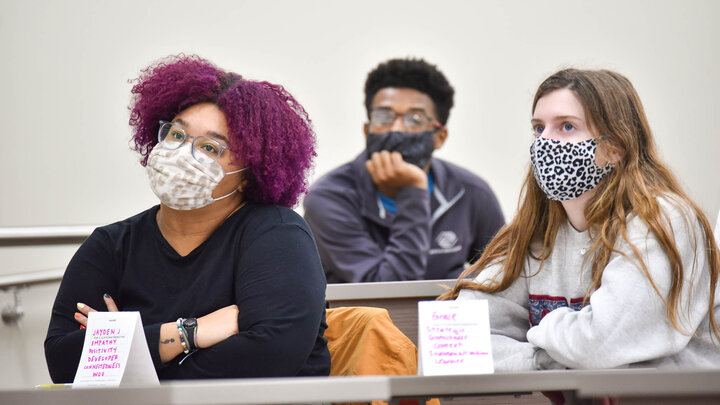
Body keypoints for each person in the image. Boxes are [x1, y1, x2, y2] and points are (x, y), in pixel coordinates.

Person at [45, 55, 331, 382]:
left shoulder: (277, 234)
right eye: (176, 135)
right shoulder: (111, 246)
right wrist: (191, 333)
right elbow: (62, 361)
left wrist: (125, 351)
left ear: (248, 176)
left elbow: (270, 357)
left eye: (210, 148)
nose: (182, 154)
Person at [441, 68, 720, 371]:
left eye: (566, 127)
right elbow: (456, 341)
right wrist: (545, 357)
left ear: (615, 146)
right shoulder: (536, 230)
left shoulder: (663, 221)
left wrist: (533, 336)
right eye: (538, 128)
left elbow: (601, 344)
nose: (544, 142)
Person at [304, 58, 505, 283]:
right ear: (366, 129)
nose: (397, 129)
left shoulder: (470, 192)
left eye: (415, 119)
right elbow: (386, 292)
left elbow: (505, 274)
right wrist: (412, 193)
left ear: (440, 137)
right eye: (384, 116)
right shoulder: (330, 197)